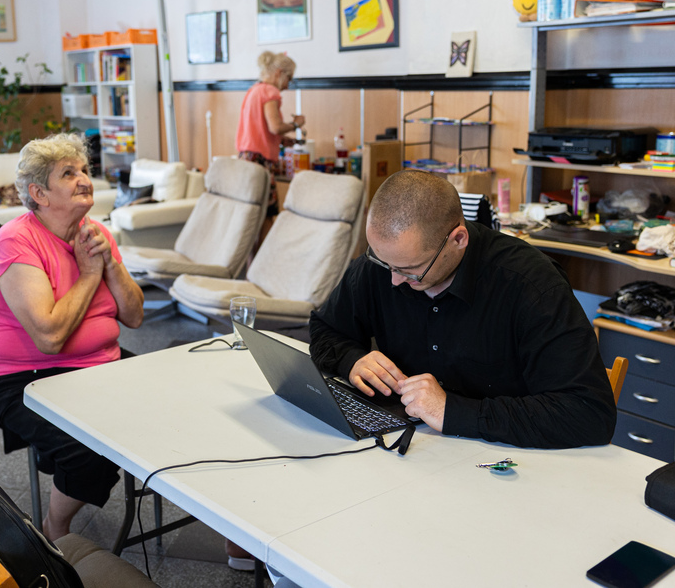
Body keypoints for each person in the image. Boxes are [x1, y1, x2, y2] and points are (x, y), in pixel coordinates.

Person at [309, 169, 616, 448]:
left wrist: (453, 411)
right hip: (416, 453)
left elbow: (589, 414)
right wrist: (352, 360)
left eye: (411, 270)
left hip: (507, 463)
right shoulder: (385, 264)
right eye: (383, 262)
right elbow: (324, 330)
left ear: (458, 239)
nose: (394, 280)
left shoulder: (531, 286)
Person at [0, 133, 144, 541]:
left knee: (171, 412)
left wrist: (109, 264)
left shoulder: (93, 233)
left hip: (101, 364)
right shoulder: (16, 240)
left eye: (84, 170)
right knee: (89, 451)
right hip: (25, 376)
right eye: (68, 174)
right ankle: (55, 530)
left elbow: (136, 316)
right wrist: (90, 274)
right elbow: (49, 337)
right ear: (39, 193)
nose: (84, 179)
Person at [235, 50, 305, 220]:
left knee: (251, 212)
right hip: (260, 162)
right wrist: (297, 124)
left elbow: (260, 130)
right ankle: (265, 246)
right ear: (279, 73)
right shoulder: (270, 92)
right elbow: (275, 127)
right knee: (267, 213)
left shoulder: (254, 91)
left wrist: (284, 140)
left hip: (245, 158)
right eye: (289, 78)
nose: (288, 85)